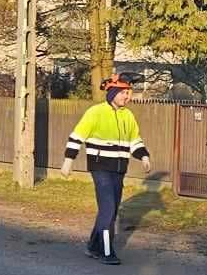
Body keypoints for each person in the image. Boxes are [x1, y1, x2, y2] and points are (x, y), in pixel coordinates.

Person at [60, 76, 151, 265]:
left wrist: (144, 156)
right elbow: (77, 137)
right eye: (124, 93)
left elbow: (135, 140)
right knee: (108, 208)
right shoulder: (95, 112)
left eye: (128, 93)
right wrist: (68, 160)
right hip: (100, 167)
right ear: (113, 93)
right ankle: (107, 252)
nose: (127, 97)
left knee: (110, 209)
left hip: (119, 169)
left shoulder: (128, 115)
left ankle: (93, 246)